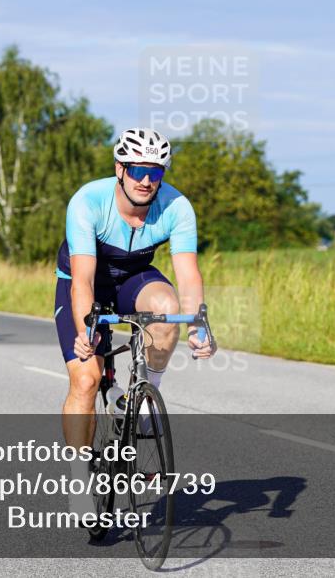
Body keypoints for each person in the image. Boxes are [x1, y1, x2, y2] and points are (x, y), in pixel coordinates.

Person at [54, 128, 216, 512]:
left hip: (133, 277)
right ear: (120, 169)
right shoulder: (88, 201)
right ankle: (80, 476)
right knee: (87, 379)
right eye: (138, 170)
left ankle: (144, 397)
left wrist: (198, 324)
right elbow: (83, 280)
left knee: (167, 307)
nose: (147, 180)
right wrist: (84, 332)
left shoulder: (177, 206)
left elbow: (188, 273)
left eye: (155, 172)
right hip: (85, 281)